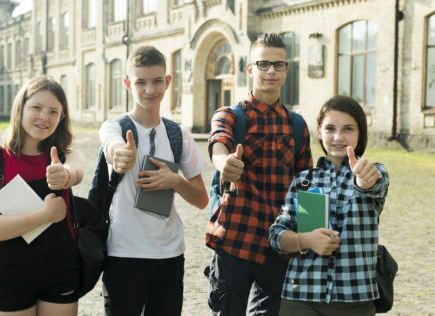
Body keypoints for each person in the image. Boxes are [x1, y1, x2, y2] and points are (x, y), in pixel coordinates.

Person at [206, 33, 313, 315]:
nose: (271, 72)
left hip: (279, 246)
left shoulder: (298, 125)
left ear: (286, 70)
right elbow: (219, 143)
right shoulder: (230, 115)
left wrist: (311, 240)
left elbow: (307, 188)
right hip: (235, 241)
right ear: (250, 68)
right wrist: (224, 164)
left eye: (278, 65)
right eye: (263, 64)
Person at [99, 45, 209, 316]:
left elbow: (201, 199)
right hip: (123, 253)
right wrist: (121, 155)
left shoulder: (178, 134)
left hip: (169, 254)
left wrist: (174, 181)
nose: (150, 89)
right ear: (127, 84)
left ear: (168, 82)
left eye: (157, 81)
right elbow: (113, 148)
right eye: (140, 82)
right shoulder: (114, 127)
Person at [0, 76, 85, 315]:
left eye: (54, 112)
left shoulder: (67, 157)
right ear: (20, 108)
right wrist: (44, 215)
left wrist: (64, 175)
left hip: (60, 269)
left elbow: (75, 171)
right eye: (37, 108)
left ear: (61, 118)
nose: (44, 117)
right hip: (12, 274)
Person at [269, 95, 390, 316]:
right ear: (320, 131)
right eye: (330, 128)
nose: (337, 137)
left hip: (355, 299)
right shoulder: (303, 181)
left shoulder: (375, 172)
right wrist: (305, 240)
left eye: (348, 129)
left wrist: (364, 179)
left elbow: (371, 183)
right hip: (300, 298)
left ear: (360, 132)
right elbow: (276, 235)